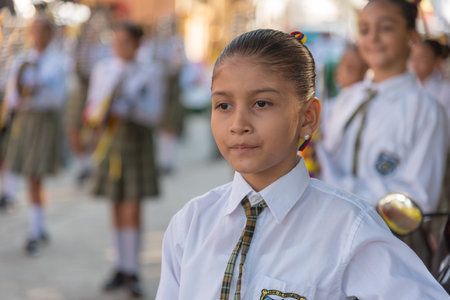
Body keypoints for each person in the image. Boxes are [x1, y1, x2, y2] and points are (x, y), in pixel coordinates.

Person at [156, 29, 448, 299]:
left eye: (261, 103)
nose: (238, 124)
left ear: (308, 117)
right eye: (223, 105)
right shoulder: (191, 223)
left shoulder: (349, 229)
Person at [317, 0, 447, 213]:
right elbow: (326, 161)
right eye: (365, 29)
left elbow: (418, 199)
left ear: (412, 37)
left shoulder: (425, 110)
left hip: (387, 240)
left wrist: (339, 191)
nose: (373, 38)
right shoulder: (348, 98)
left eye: (386, 28)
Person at [83, 21, 164, 298]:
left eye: (126, 42)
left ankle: (133, 270)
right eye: (116, 41)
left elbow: (154, 115)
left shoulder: (150, 72)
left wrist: (130, 107)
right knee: (115, 204)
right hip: (111, 141)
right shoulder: (104, 69)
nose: (119, 47)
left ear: (138, 44)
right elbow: (92, 107)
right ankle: (119, 266)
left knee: (132, 206)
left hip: (136, 141)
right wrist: (99, 113)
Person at [2, 16, 67, 255]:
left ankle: (35, 230)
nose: (38, 35)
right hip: (26, 121)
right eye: (35, 30)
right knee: (31, 176)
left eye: (43, 31)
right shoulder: (23, 60)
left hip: (43, 122)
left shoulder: (57, 61)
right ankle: (38, 227)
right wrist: (21, 98)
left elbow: (57, 99)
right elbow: (12, 95)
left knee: (35, 176)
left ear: (50, 34)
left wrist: (34, 92)